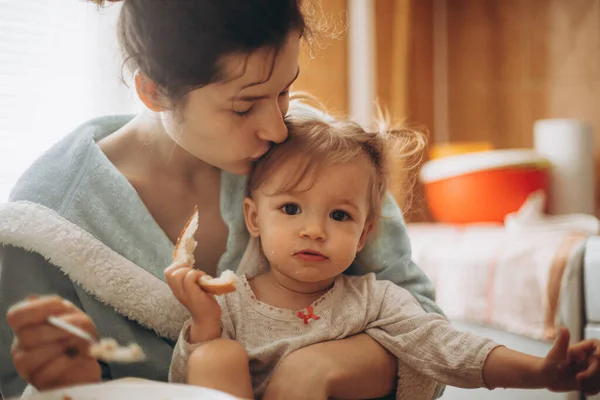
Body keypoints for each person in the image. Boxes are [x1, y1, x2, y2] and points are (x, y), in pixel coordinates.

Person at [0, 1, 442, 398]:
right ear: (153, 90)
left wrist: (320, 367)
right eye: (244, 107)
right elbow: (21, 384)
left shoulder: (320, 156)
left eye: (285, 90)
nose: (277, 129)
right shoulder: (47, 221)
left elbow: (429, 332)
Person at [164, 107, 600, 400]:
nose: (314, 230)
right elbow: (181, 379)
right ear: (254, 219)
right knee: (214, 354)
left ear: (364, 234)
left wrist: (540, 371)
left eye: (339, 215)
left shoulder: (374, 301)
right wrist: (205, 324)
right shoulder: (229, 301)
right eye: (291, 208)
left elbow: (448, 349)